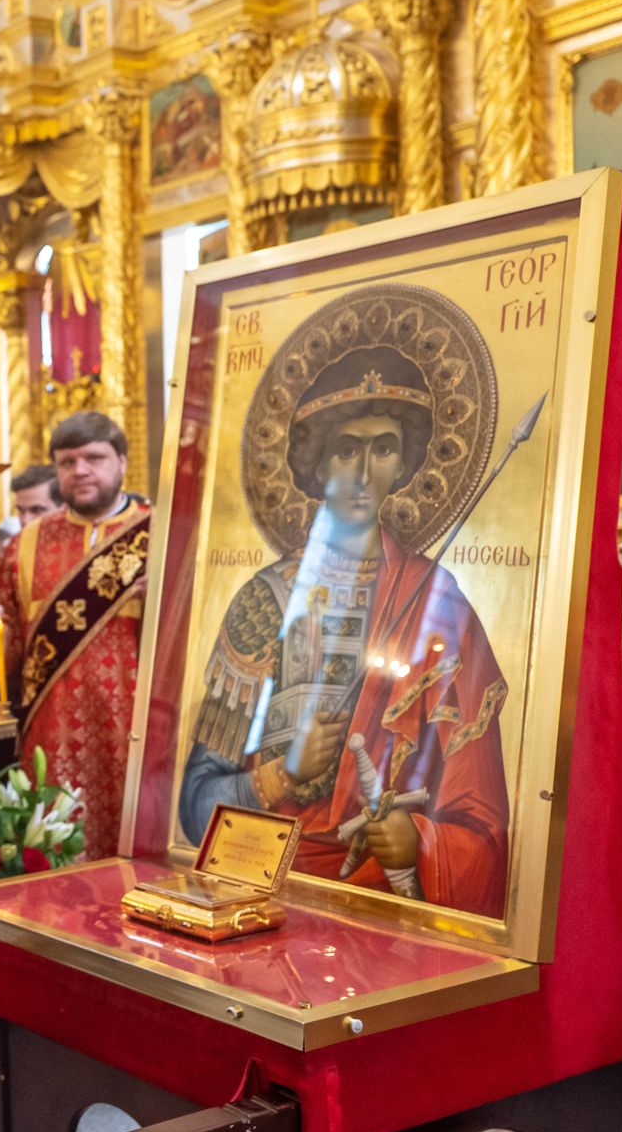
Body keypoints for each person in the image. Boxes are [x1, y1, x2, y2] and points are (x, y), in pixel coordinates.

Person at [176, 346, 509, 915]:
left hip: (384, 896)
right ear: (317, 464)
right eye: (346, 449)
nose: (362, 473)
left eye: (383, 448)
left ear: (404, 465)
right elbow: (193, 806)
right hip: (260, 888)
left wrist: (420, 843)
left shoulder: (439, 604)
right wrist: (281, 775)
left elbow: (479, 816)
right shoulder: (266, 600)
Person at [0, 412, 149, 858]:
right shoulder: (25, 544)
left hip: (137, 729)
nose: (80, 470)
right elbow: (11, 661)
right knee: (58, 857)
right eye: (67, 462)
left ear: (122, 462)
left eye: (94, 458)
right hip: (53, 733)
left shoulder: (158, 534)